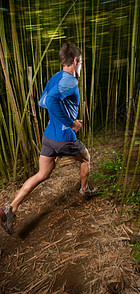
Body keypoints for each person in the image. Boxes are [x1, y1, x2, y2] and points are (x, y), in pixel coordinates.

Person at [0, 42, 97, 235]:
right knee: (86, 157)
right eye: (81, 62)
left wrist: (63, 112)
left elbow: (42, 101)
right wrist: (71, 123)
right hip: (63, 137)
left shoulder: (55, 77)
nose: (80, 66)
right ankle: (84, 189)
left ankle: (10, 208)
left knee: (42, 174)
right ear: (75, 61)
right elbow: (51, 101)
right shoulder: (70, 80)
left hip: (48, 137)